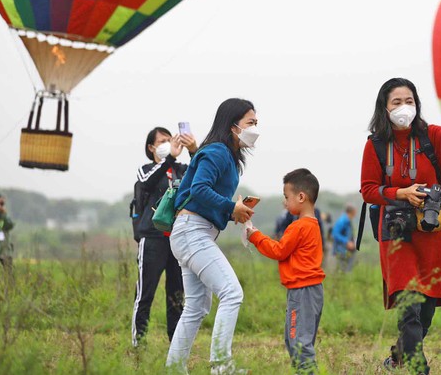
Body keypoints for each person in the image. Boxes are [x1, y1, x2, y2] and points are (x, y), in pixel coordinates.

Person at [360, 77, 441, 373]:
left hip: (431, 231)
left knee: (427, 308)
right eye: (396, 102)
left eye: (409, 101)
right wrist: (400, 193)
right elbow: (368, 190)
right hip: (395, 233)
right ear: (384, 107)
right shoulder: (376, 145)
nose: (403, 107)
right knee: (409, 301)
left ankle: (398, 356)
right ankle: (420, 368)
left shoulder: (430, 138)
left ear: (417, 105)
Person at [165, 98, 258, 375]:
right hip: (193, 231)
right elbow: (200, 189)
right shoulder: (217, 152)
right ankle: (221, 366)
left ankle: (174, 369)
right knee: (231, 293)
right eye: (250, 123)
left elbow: (204, 197)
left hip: (192, 231)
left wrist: (234, 213)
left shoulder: (225, 156)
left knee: (196, 307)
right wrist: (231, 207)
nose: (255, 128)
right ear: (233, 127)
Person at [247, 168, 325, 374]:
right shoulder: (313, 225)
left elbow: (279, 250)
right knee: (298, 341)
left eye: (286, 197)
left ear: (301, 197)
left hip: (302, 291)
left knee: (299, 344)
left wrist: (255, 236)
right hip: (312, 291)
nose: (285, 201)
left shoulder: (298, 227)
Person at [130, 127, 198, 347]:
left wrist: (193, 149)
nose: (168, 143)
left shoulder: (181, 170)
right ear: (151, 147)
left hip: (176, 238)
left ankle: (175, 345)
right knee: (145, 293)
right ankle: (139, 342)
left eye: (170, 140)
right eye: (162, 141)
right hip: (152, 238)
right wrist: (168, 158)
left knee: (176, 295)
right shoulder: (146, 169)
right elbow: (147, 183)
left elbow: (199, 174)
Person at [332, 204, 357, 272]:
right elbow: (335, 234)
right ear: (352, 212)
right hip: (341, 250)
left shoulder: (348, 221)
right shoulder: (342, 221)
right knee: (343, 270)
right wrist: (347, 242)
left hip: (346, 250)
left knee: (346, 268)